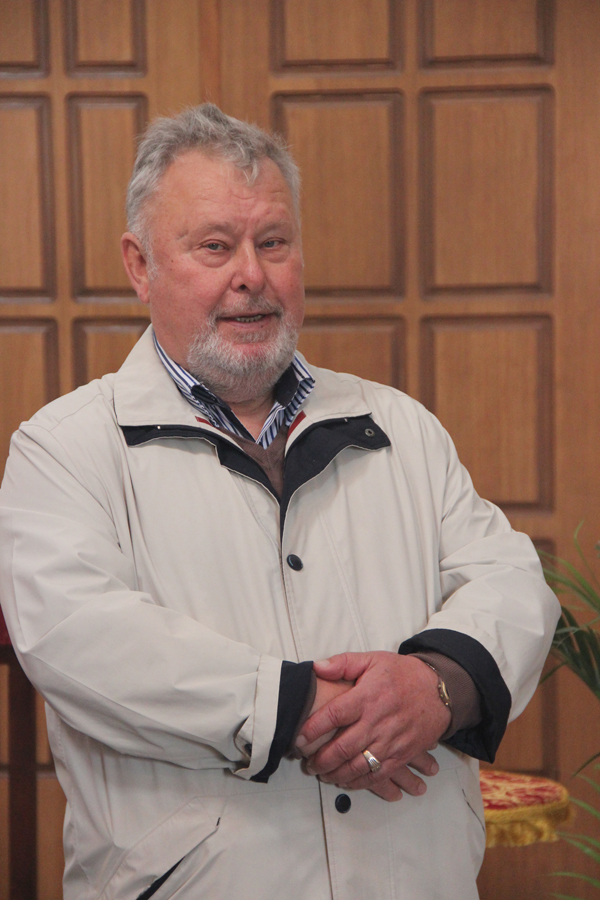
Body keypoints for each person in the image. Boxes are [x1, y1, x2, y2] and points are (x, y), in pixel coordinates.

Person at [0, 104, 559, 900]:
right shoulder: (63, 448)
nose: (251, 276)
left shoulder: (399, 424)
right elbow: (80, 639)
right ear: (139, 265)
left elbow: (511, 582)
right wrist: (298, 706)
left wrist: (437, 685)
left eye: (273, 242)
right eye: (215, 246)